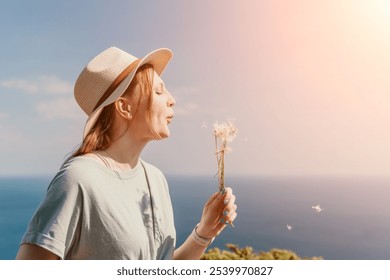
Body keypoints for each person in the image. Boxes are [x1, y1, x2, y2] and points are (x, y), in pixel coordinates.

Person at [15, 46, 237, 260]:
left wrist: (205, 232)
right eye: (158, 91)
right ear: (124, 107)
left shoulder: (156, 179)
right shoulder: (79, 180)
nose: (172, 99)